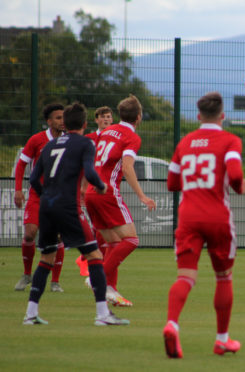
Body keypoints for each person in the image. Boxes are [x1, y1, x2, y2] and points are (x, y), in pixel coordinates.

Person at [23, 102, 128, 326]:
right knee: (95, 256)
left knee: (46, 259)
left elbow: (33, 179)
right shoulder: (85, 143)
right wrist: (100, 186)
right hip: (68, 207)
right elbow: (90, 171)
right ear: (85, 123)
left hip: (46, 206)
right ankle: (102, 315)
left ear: (65, 123)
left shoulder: (50, 146)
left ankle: (30, 314)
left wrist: (46, 196)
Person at [163, 92, 245, 358]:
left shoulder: (185, 142)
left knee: (185, 277)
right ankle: (222, 339)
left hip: (188, 217)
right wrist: (240, 186)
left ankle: (172, 324)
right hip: (217, 217)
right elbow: (234, 174)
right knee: (223, 277)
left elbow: (172, 184)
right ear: (222, 115)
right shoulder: (230, 140)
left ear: (198, 116)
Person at [85, 95, 156, 307]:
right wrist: (142, 196)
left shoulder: (106, 131)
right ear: (139, 117)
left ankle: (110, 290)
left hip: (91, 192)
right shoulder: (131, 137)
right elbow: (127, 167)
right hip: (107, 191)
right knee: (131, 240)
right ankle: (96, 278)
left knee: (113, 243)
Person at [13, 103, 66, 292]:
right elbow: (21, 165)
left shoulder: (69, 140)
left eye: (64, 117)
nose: (62, 121)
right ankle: (27, 274)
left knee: (57, 237)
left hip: (59, 196)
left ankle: (55, 281)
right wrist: (18, 190)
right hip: (37, 195)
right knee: (29, 234)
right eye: (58, 118)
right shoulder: (37, 140)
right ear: (49, 121)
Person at [76, 106, 114, 277]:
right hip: (93, 188)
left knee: (102, 227)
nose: (106, 120)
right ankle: (90, 260)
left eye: (109, 117)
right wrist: (83, 186)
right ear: (96, 120)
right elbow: (85, 166)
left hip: (109, 188)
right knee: (99, 226)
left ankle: (88, 259)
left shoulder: (114, 138)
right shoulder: (90, 139)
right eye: (103, 117)